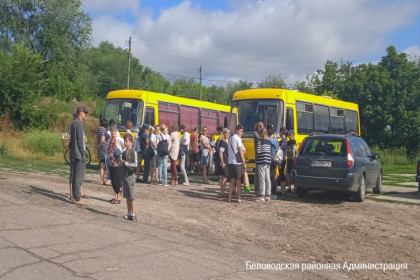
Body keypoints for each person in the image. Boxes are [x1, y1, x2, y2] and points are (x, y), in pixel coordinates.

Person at [69, 106, 89, 206]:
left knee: (75, 175)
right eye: (84, 112)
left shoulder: (73, 123)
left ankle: (74, 196)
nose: (85, 114)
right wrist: (82, 153)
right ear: (80, 113)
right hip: (78, 154)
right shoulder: (79, 124)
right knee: (78, 176)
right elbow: (80, 141)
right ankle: (77, 198)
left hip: (73, 152)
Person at [120, 133, 138, 222]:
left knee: (132, 196)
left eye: (127, 141)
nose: (125, 143)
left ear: (131, 142)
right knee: (127, 195)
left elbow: (135, 164)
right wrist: (120, 164)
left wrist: (125, 163)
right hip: (125, 176)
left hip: (131, 176)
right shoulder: (124, 153)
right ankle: (129, 213)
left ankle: (133, 213)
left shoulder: (133, 152)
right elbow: (122, 164)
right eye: (124, 141)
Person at [227, 124, 246, 203]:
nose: (241, 133)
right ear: (237, 130)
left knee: (232, 180)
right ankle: (239, 198)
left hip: (230, 161)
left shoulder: (230, 138)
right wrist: (244, 162)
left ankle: (229, 197)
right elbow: (241, 152)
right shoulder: (238, 139)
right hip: (237, 162)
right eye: (241, 131)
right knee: (238, 181)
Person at [107, 124, 124, 204]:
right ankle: (115, 196)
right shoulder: (109, 139)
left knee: (117, 180)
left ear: (116, 132)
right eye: (111, 131)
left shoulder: (119, 140)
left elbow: (124, 148)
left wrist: (122, 158)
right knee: (113, 180)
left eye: (114, 131)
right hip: (111, 162)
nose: (112, 133)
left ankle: (118, 197)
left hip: (117, 163)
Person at [255, 128, 272, 202]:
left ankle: (262, 195)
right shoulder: (269, 142)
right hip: (268, 161)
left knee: (262, 179)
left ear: (261, 134)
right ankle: (268, 195)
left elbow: (258, 151)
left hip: (261, 161)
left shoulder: (260, 141)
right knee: (267, 178)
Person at [217, 128, 230, 198]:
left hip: (225, 161)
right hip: (224, 161)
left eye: (228, 133)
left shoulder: (223, 142)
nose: (227, 135)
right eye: (226, 133)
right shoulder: (223, 142)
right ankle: (223, 192)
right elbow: (220, 152)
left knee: (223, 177)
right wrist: (222, 161)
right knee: (224, 178)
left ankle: (222, 191)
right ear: (224, 134)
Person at [95, 118, 108, 185]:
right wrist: (99, 146)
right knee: (104, 166)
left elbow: (97, 139)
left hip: (100, 151)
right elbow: (103, 140)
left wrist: (96, 146)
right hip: (104, 150)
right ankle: (103, 180)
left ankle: (101, 180)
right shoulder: (103, 131)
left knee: (101, 165)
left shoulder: (98, 130)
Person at [267, 125, 279, 198]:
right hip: (274, 160)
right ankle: (273, 192)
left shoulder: (269, 139)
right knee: (274, 176)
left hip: (270, 160)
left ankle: (272, 192)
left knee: (270, 177)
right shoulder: (275, 140)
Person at [253, 122, 264, 195]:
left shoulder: (255, 134)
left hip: (258, 156)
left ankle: (257, 189)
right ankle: (258, 189)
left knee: (258, 174)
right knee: (261, 175)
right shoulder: (257, 135)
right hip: (261, 156)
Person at [278, 127, 288, 198]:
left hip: (282, 159)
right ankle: (282, 189)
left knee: (282, 174)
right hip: (282, 159)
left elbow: (280, 149)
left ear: (282, 132)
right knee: (281, 174)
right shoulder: (283, 140)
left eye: (280, 132)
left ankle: (283, 190)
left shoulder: (283, 141)